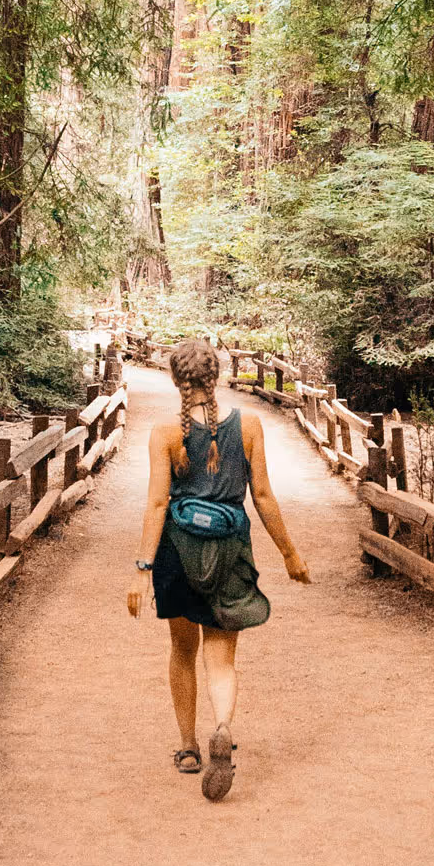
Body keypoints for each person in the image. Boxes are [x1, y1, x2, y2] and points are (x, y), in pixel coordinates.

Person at [129, 338, 310, 801]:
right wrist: (290, 553)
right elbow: (264, 497)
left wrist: (141, 569)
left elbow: (156, 503)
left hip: (178, 553)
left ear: (176, 380)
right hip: (230, 550)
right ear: (218, 377)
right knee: (222, 657)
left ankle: (189, 747)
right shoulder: (248, 426)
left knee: (181, 649)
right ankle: (223, 727)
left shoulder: (165, 434)